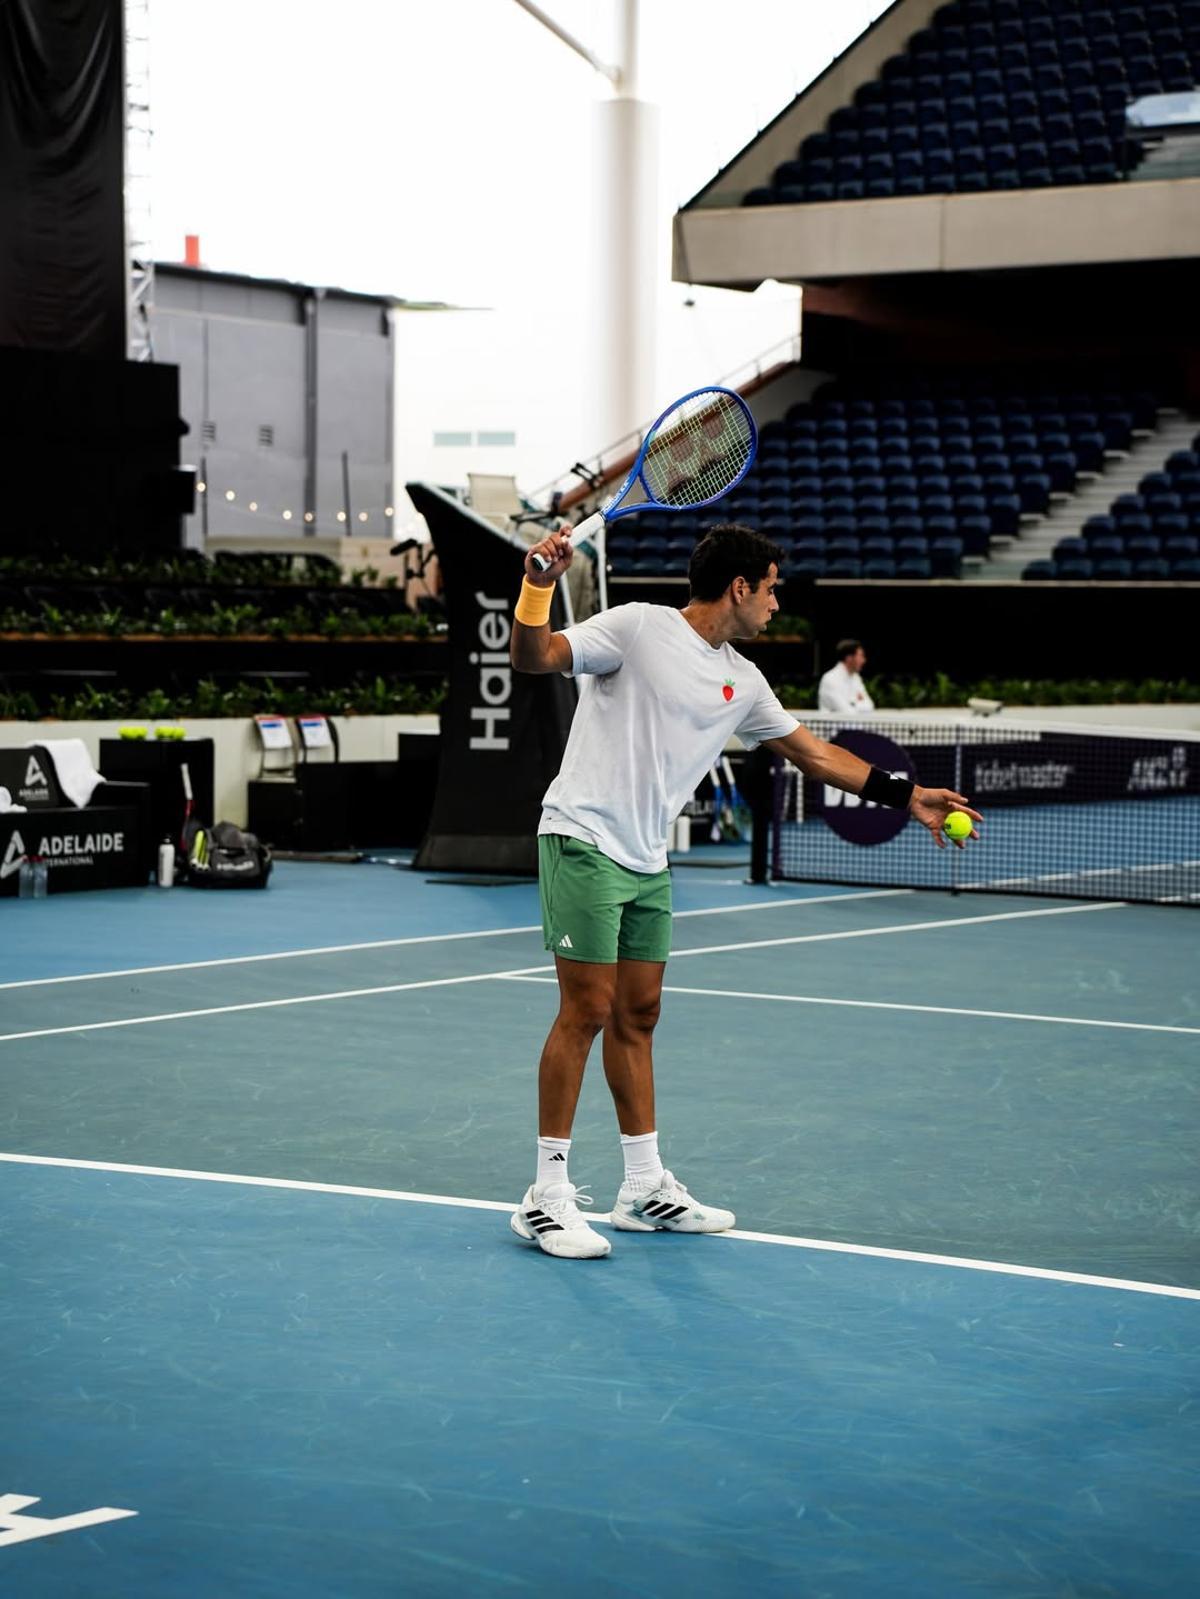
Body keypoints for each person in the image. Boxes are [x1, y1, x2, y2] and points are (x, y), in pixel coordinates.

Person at [508, 524, 980, 1260]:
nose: (775, 602)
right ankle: (546, 1194)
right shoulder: (637, 627)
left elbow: (814, 754)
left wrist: (906, 794)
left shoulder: (744, 680)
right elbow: (535, 656)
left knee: (639, 1013)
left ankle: (643, 1186)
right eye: (771, 588)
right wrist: (538, 585)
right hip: (583, 836)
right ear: (740, 587)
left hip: (646, 856)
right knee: (588, 1009)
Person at [818, 639, 875, 715]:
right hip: (834, 723)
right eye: (860, 656)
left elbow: (870, 706)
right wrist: (857, 702)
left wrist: (852, 704)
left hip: (854, 722)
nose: (863, 661)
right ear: (849, 658)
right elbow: (846, 712)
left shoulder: (856, 678)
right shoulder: (830, 679)